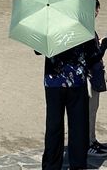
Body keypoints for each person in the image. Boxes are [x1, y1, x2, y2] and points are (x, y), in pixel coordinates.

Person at [41, 38, 106, 170]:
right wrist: (103, 45)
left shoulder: (49, 24)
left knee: (54, 125)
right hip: (76, 80)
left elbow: (38, 50)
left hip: (53, 80)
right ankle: (78, 165)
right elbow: (93, 56)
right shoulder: (81, 26)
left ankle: (51, 165)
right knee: (78, 126)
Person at [87, 0, 107, 155]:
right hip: (89, 77)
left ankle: (92, 139)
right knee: (90, 110)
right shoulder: (84, 29)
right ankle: (89, 142)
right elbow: (91, 57)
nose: (98, 12)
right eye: (96, 8)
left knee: (93, 109)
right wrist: (103, 47)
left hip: (92, 76)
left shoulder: (86, 28)